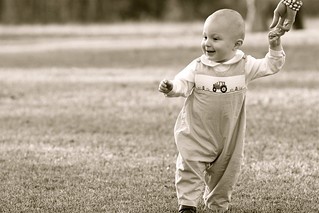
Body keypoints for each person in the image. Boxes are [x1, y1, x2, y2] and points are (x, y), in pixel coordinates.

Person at [158, 9, 286, 212]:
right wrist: (172, 87)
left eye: (215, 38)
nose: (207, 43)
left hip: (228, 137)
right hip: (197, 132)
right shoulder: (198, 66)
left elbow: (271, 65)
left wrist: (275, 46)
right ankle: (187, 204)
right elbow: (183, 83)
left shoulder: (244, 66)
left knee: (225, 173)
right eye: (205, 36)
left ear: (236, 44)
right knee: (189, 164)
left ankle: (217, 205)